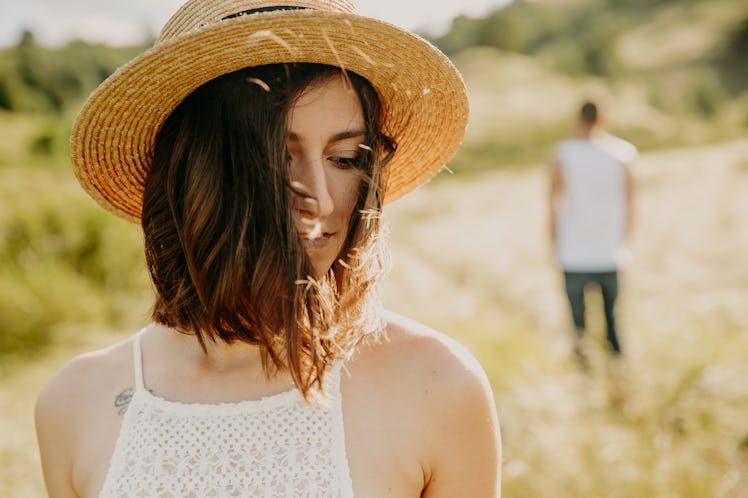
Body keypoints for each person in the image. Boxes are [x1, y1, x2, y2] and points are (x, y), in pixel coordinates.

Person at [34, 1, 501, 497]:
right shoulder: (75, 404)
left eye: (345, 158)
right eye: (278, 156)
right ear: (196, 172)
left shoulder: (437, 387)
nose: (319, 199)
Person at [549, 100, 637, 366]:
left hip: (573, 253)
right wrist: (624, 242)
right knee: (612, 322)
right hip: (610, 252)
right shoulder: (623, 154)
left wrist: (554, 245)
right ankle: (618, 375)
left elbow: (553, 204)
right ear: (603, 119)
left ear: (578, 120)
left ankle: (585, 380)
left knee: (579, 327)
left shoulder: (563, 155)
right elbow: (631, 204)